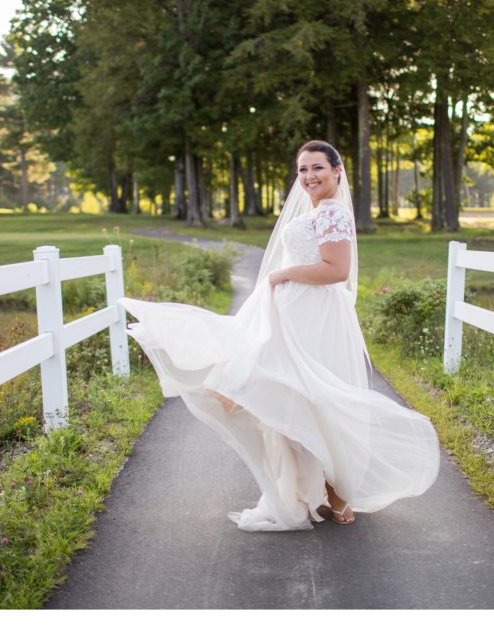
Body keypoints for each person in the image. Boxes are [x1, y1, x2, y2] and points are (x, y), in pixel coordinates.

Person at [119, 140, 439, 531]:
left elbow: (336, 269)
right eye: (302, 170)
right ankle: (309, 490)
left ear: (338, 171)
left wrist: (282, 275)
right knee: (289, 396)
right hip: (293, 313)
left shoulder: (333, 212)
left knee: (317, 398)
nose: (309, 177)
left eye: (318, 168)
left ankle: (336, 494)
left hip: (315, 316)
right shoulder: (317, 209)